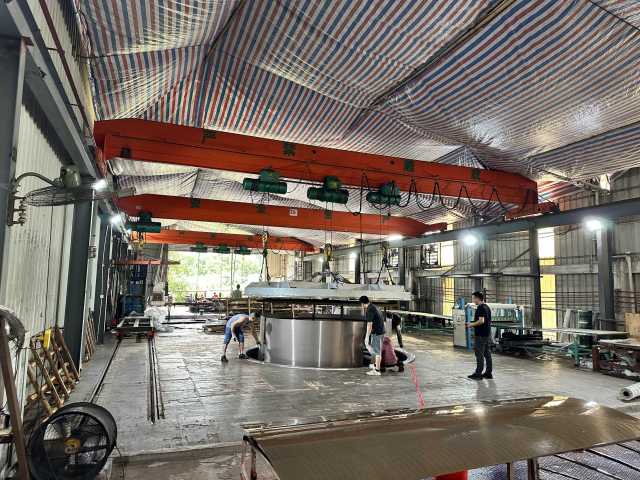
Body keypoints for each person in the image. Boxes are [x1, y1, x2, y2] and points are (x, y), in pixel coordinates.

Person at [466, 291, 493, 380]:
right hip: (487, 334)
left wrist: (471, 324)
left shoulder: (480, 307)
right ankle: (488, 373)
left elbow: (481, 321)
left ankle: (478, 374)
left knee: (479, 354)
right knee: (487, 354)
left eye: (473, 298)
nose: (473, 300)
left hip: (480, 335)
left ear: (477, 298)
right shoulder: (487, 307)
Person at [360, 296, 385, 376]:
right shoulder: (374, 306)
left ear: (362, 304)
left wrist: (367, 337)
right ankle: (375, 365)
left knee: (377, 351)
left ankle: (377, 370)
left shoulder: (369, 309)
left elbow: (369, 324)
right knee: (375, 349)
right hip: (380, 331)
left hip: (377, 332)